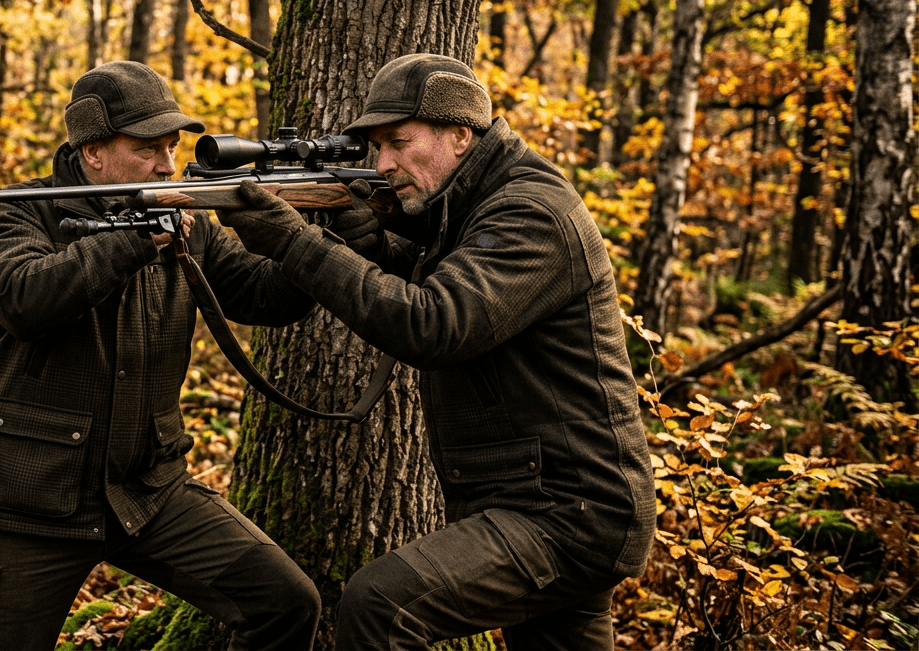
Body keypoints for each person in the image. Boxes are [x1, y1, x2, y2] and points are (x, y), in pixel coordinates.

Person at [220, 53, 655, 651]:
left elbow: (435, 324)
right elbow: (447, 291)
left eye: (399, 142)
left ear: (459, 134)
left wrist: (295, 242)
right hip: (545, 501)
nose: (385, 164)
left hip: (565, 514)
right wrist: (370, 243)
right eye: (377, 147)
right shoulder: (473, 207)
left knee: (381, 606)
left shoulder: (530, 211)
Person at [0, 60, 322, 651]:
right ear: (93, 151)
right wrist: (134, 240)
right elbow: (22, 298)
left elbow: (267, 296)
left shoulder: (186, 224)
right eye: (147, 147)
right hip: (32, 501)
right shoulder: (21, 210)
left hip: (147, 491)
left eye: (171, 146)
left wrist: (307, 233)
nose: (165, 163)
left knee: (285, 602)